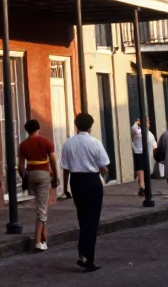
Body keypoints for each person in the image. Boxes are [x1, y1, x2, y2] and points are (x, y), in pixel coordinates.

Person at [62, 113, 109, 272]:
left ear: (76, 125)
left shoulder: (68, 143)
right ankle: (88, 258)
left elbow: (66, 168)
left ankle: (83, 253)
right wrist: (104, 171)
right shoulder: (95, 143)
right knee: (92, 219)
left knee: (82, 217)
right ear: (90, 126)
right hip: (91, 180)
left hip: (76, 181)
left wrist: (65, 187)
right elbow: (103, 166)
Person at [17, 118, 58, 252]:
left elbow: (20, 166)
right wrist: (55, 177)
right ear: (38, 129)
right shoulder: (45, 142)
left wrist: (24, 179)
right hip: (43, 174)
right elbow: (52, 160)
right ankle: (38, 241)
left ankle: (44, 236)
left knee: (41, 205)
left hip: (31, 175)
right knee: (41, 208)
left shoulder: (23, 145)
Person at [130, 117, 157, 197]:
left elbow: (154, 143)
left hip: (146, 153)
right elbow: (133, 128)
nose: (148, 122)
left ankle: (144, 187)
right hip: (139, 152)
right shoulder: (138, 131)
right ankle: (142, 187)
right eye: (147, 120)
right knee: (140, 171)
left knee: (145, 171)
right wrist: (137, 122)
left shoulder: (149, 133)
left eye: (149, 120)